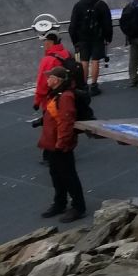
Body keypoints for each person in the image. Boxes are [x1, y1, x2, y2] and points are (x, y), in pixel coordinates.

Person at [37, 67, 86, 222]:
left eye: (49, 77)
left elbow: (66, 121)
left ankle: (78, 207)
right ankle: (60, 202)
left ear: (56, 80)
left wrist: (62, 142)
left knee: (68, 175)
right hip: (53, 143)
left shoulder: (65, 97)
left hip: (59, 144)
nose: (47, 79)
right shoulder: (58, 95)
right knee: (57, 174)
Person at [68, 0, 113, 95]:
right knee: (95, 61)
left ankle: (84, 86)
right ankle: (94, 86)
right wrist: (108, 37)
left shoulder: (78, 5)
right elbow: (107, 23)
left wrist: (75, 41)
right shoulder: (101, 5)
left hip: (82, 38)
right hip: (97, 37)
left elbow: (72, 26)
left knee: (84, 62)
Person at [35, 31, 74, 109]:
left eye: (44, 41)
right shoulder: (67, 53)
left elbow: (42, 83)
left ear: (50, 42)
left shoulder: (48, 60)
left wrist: (37, 101)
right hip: (68, 92)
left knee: (52, 118)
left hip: (52, 98)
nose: (44, 43)